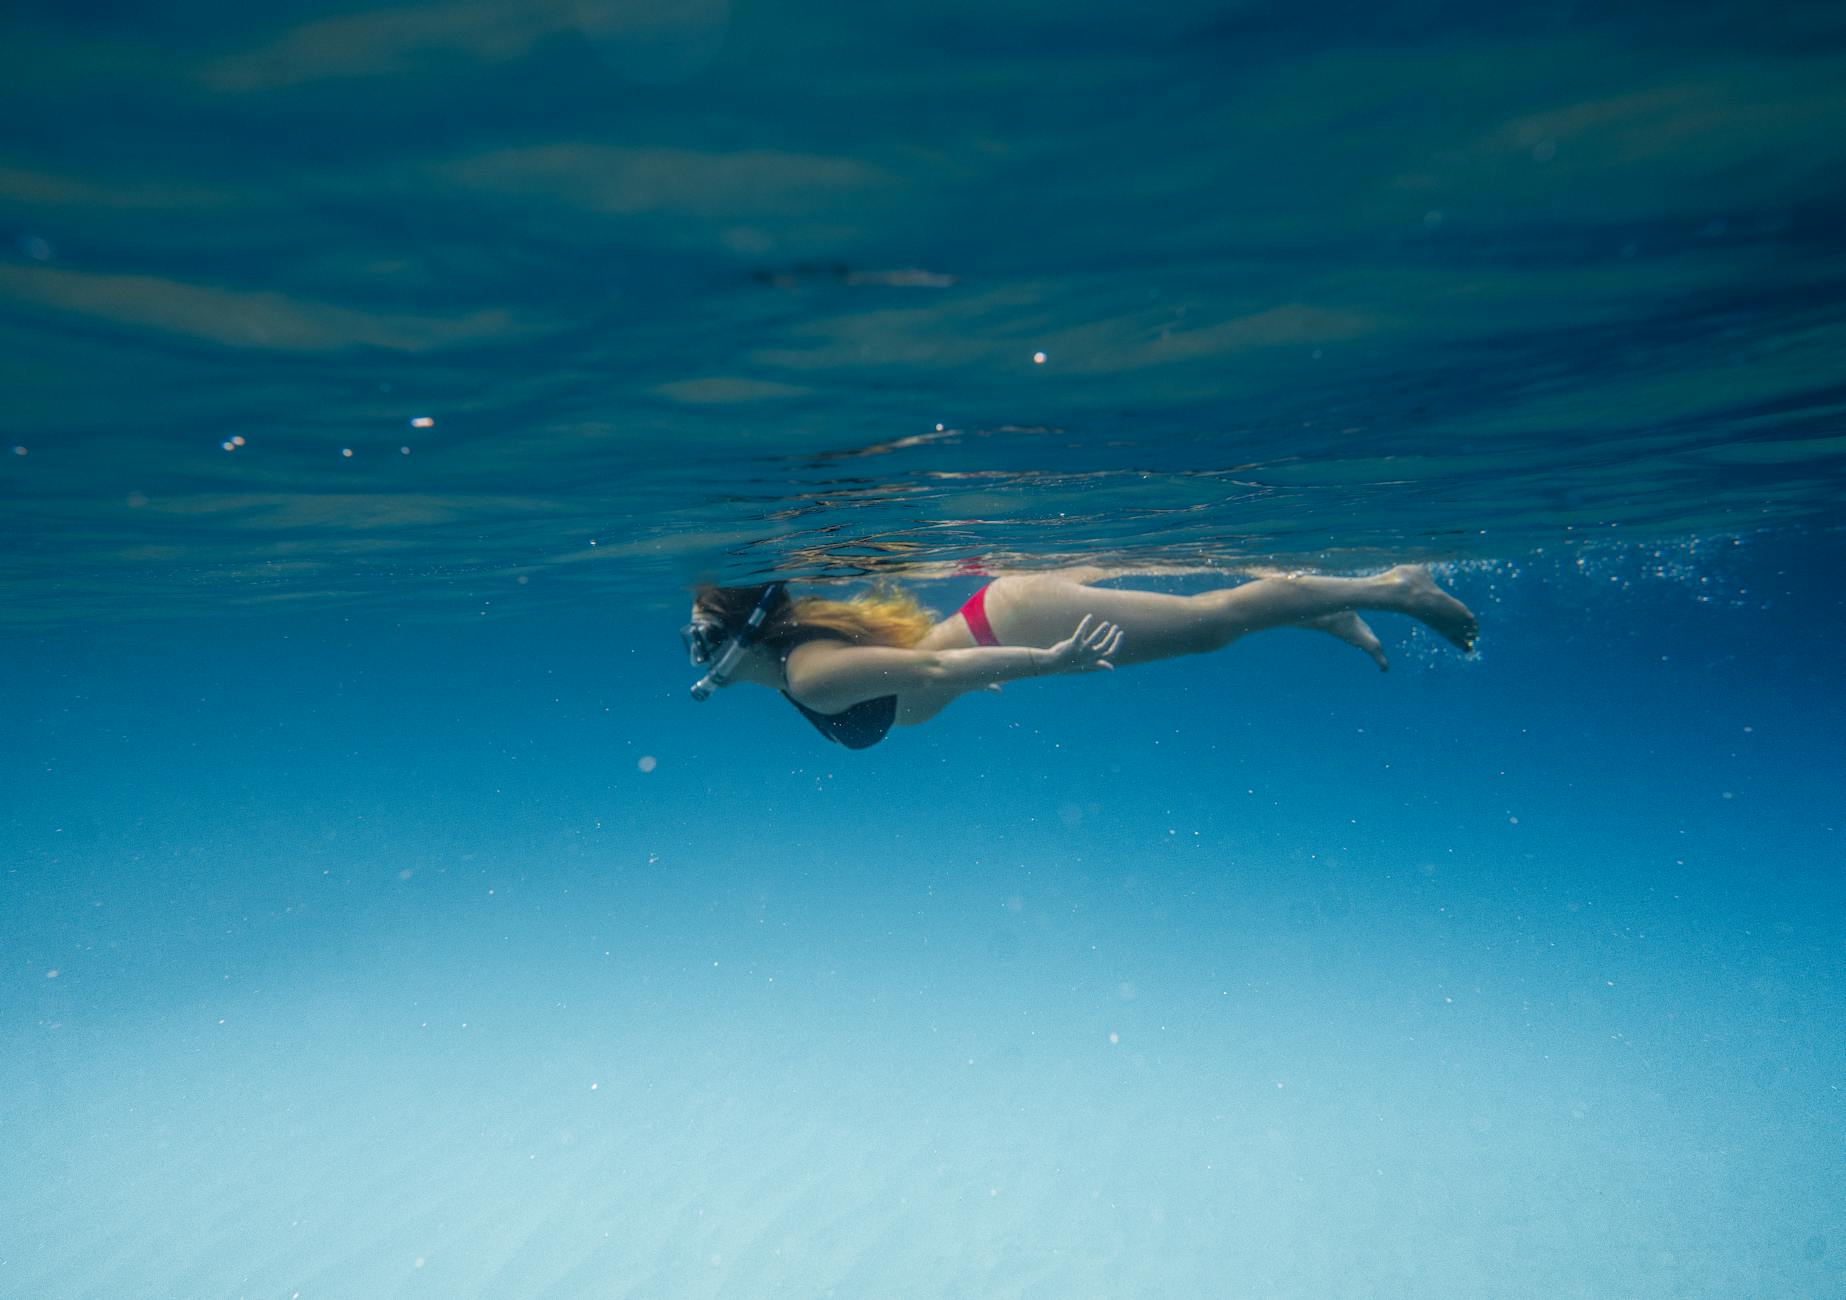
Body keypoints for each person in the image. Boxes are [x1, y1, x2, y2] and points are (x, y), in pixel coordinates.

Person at [682, 566, 1478, 749]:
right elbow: (925, 672)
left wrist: (1049, 660)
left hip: (1016, 622)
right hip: (997, 622)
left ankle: (1395, 587)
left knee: (1209, 624)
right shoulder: (799, 665)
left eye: (701, 634)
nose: (694, 647)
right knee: (1211, 627)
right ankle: (1318, 612)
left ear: (740, 634)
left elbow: (930, 673)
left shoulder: (808, 675)